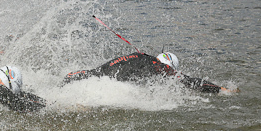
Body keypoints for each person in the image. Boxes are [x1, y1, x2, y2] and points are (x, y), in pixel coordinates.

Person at [63, 51, 238, 94]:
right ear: (166, 66)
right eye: (168, 70)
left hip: (82, 76)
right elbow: (189, 81)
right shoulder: (150, 65)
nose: (168, 75)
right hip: (91, 82)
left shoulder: (144, 58)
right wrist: (221, 90)